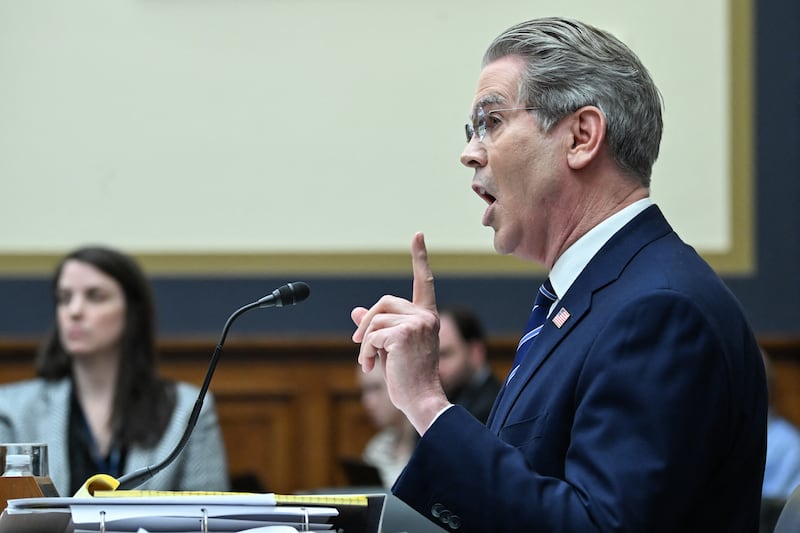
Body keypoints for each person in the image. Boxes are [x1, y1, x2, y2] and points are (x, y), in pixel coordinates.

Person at [351, 16, 767, 532]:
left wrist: (428, 404)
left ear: (582, 137)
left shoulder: (659, 311)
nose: (469, 151)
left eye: (492, 121)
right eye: (472, 129)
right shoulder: (586, 298)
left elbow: (595, 527)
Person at [0, 246, 229, 496]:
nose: (74, 311)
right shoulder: (12, 409)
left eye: (95, 296)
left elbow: (209, 516)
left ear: (132, 311)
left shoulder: (187, 409)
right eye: (64, 298)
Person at [357, 357, 418, 489]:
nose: (367, 402)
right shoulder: (377, 447)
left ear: (403, 385)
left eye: (376, 388)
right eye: (363, 390)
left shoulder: (434, 444)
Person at [437, 305, 501, 423]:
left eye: (445, 354)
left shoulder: (493, 408)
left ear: (475, 352)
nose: (436, 368)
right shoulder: (452, 394)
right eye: (432, 358)